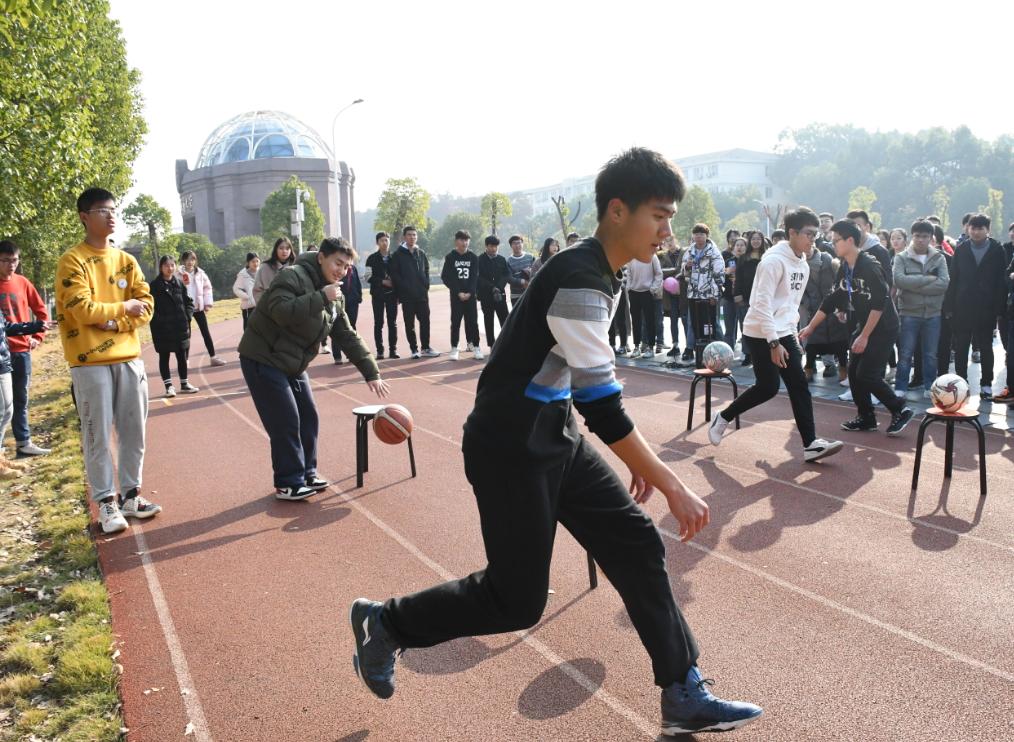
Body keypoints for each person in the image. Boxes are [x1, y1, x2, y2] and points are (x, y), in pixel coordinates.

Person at [349, 147, 763, 736]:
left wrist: (635, 459)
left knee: (636, 543)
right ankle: (387, 623)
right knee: (516, 601)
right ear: (617, 211)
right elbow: (602, 402)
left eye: (671, 218)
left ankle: (682, 691)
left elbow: (584, 388)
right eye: (659, 216)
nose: (667, 231)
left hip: (555, 430)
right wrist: (670, 481)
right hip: (510, 446)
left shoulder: (601, 270)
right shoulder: (580, 277)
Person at [238, 237, 390, 500]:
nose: (342, 271)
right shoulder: (292, 276)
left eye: (347, 267)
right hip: (263, 357)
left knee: (309, 416)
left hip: (293, 363)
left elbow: (346, 335)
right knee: (286, 419)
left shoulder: (334, 295)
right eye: (337, 263)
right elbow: (280, 311)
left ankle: (307, 473)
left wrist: (371, 372)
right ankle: (288, 483)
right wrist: (321, 297)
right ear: (321, 258)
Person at [56, 187, 160, 533]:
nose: (111, 216)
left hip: (128, 358)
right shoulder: (72, 261)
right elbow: (82, 309)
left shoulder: (126, 260)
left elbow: (146, 305)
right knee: (97, 434)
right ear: (85, 217)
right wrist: (123, 307)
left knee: (134, 431)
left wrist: (116, 321)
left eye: (114, 210)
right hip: (89, 363)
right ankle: (105, 502)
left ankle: (131, 495)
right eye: (103, 210)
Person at [709, 208, 843, 462]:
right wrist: (773, 342)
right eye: (808, 234)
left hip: (783, 330)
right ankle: (723, 417)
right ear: (792, 233)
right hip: (760, 331)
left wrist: (791, 335)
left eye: (815, 234)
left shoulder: (802, 262)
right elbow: (761, 304)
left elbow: (791, 305)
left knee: (799, 385)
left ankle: (811, 444)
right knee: (768, 387)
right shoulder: (772, 261)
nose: (813, 239)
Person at [800, 220, 913, 435]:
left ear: (850, 240)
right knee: (853, 372)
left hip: (883, 327)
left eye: (836, 240)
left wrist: (864, 336)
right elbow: (833, 298)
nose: (833, 244)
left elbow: (880, 302)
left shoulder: (868, 265)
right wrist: (811, 328)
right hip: (864, 325)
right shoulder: (845, 266)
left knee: (867, 374)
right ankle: (866, 417)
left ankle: (900, 409)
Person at [942, 213, 1008, 399]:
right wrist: (949, 305)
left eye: (980, 228)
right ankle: (961, 383)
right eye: (973, 228)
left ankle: (986, 384)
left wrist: (999, 308)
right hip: (962, 305)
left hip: (987, 307)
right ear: (967, 229)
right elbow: (953, 278)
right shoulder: (961, 249)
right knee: (962, 346)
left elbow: (1001, 281)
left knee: (985, 346)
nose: (976, 232)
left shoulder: (997, 250)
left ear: (988, 230)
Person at [0, 240, 51, 457]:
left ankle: (23, 443)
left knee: (20, 399)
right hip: (1, 353)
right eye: (5, 260)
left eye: (14, 260)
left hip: (21, 351)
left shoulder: (22, 282)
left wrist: (37, 337)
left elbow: (41, 312)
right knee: (4, 405)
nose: (11, 265)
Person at [892, 221, 949, 397]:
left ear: (931, 238)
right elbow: (899, 280)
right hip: (909, 312)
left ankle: (929, 387)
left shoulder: (939, 258)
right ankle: (900, 387)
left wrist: (914, 284)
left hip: (933, 313)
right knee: (905, 353)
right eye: (917, 236)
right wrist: (928, 279)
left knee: (930, 354)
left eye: (925, 236)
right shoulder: (901, 258)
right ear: (912, 236)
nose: (921, 240)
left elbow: (944, 283)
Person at [0, 303, 51, 477]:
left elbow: (5, 327)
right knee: (2, 413)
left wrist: (34, 327)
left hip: (4, 361)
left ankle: (1, 458)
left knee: (7, 411)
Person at [388, 226, 440, 359]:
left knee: (425, 322)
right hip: (407, 296)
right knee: (409, 324)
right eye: (409, 235)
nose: (412, 237)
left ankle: (426, 348)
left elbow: (426, 269)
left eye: (414, 235)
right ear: (404, 237)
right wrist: (404, 288)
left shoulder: (420, 253)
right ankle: (414, 349)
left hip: (422, 295)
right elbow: (395, 274)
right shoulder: (397, 255)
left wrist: (426, 284)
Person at [149, 255, 197, 397]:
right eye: (166, 265)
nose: (169, 268)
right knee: (164, 356)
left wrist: (187, 316)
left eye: (172, 265)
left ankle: (184, 384)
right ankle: (169, 387)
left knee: (182, 356)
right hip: (162, 329)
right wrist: (159, 320)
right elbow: (150, 307)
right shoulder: (154, 286)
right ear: (161, 267)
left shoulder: (179, 283)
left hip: (179, 327)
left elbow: (189, 302)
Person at [798, 238, 844, 383]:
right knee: (809, 337)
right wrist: (806, 302)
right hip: (809, 306)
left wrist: (834, 301)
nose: (807, 250)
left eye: (809, 246)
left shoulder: (826, 259)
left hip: (830, 303)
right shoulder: (798, 263)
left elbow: (836, 281)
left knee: (833, 337)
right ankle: (809, 366)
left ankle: (833, 366)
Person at [679, 224, 724, 367]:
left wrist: (715, 295)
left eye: (701, 234)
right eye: (696, 234)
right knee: (695, 325)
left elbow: (719, 274)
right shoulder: (690, 250)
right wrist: (687, 266)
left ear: (707, 236)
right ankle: (699, 356)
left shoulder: (714, 251)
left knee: (709, 326)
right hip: (693, 294)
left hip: (709, 295)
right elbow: (683, 269)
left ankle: (715, 356)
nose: (698, 237)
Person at [176, 250, 225, 367]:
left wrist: (207, 303)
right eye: (187, 259)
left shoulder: (201, 274)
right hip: (185, 309)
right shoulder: (177, 274)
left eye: (192, 259)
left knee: (205, 332)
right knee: (186, 335)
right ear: (183, 261)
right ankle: (185, 361)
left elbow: (207, 288)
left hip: (198, 307)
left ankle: (213, 357)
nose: (190, 262)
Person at [440, 230, 482, 361]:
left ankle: (476, 346)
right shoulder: (450, 257)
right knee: (456, 322)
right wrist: (457, 291)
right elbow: (446, 277)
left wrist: (470, 292)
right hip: (456, 296)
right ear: (456, 241)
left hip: (470, 296)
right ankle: (454, 347)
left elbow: (475, 277)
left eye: (467, 240)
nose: (465, 242)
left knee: (473, 322)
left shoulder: (473, 257)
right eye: (462, 240)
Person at [733, 231, 769, 367]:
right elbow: (738, 278)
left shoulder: (767, 257)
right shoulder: (743, 258)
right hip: (746, 296)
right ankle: (748, 354)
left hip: (763, 297)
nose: (755, 241)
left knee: (763, 326)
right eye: (753, 239)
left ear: (762, 241)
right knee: (746, 327)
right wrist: (737, 295)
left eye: (758, 239)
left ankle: (763, 354)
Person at [365, 231, 399, 359]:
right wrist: (382, 281)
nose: (385, 243)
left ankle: (393, 350)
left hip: (392, 295)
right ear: (377, 243)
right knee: (378, 323)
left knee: (392, 323)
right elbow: (367, 277)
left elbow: (400, 275)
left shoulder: (395, 257)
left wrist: (394, 283)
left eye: (386, 240)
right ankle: (380, 351)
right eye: (382, 240)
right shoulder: (371, 258)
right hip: (377, 295)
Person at [626, 249, 663, 359]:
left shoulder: (652, 256)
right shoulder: (631, 257)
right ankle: (636, 347)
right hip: (633, 293)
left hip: (647, 292)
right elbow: (629, 274)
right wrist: (629, 287)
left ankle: (650, 348)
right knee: (635, 321)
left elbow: (659, 274)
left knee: (650, 321)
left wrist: (653, 289)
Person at [476, 235, 510, 350]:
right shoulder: (479, 260)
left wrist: (499, 287)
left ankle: (506, 343)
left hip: (500, 295)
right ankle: (492, 344)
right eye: (491, 246)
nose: (494, 249)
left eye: (496, 246)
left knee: (505, 319)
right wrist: (491, 287)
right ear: (486, 246)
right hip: (486, 296)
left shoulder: (501, 259)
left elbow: (506, 275)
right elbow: (478, 277)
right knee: (488, 320)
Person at [332, 259, 363, 365]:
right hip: (339, 301)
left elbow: (357, 283)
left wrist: (359, 296)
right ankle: (337, 355)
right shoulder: (337, 268)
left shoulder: (353, 268)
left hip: (353, 302)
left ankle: (351, 354)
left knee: (352, 328)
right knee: (337, 327)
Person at [657, 237, 682, 358]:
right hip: (670, 293)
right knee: (673, 320)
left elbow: (685, 269)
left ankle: (690, 347)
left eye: (671, 240)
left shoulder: (684, 252)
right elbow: (660, 271)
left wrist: (675, 272)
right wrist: (676, 270)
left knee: (687, 320)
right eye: (666, 241)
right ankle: (675, 345)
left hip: (684, 292)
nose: (669, 243)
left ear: (676, 240)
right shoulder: (662, 256)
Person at [720, 237, 745, 350]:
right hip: (729, 298)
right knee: (729, 328)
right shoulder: (728, 262)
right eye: (737, 245)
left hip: (744, 299)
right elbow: (721, 280)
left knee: (745, 328)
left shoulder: (748, 262)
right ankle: (728, 351)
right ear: (733, 248)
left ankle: (747, 354)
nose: (739, 247)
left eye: (742, 245)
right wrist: (727, 273)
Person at [253, 237, 295, 304]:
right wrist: (265, 306)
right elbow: (257, 290)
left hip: (292, 306)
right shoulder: (265, 268)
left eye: (287, 248)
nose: (284, 251)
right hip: (270, 307)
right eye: (281, 248)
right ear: (276, 249)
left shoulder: (296, 266)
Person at [232, 252, 260, 329]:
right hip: (248, 307)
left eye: (257, 261)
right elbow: (236, 289)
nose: (256, 263)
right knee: (248, 329)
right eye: (253, 262)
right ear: (248, 263)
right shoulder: (243, 274)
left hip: (260, 305)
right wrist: (247, 296)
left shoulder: (261, 272)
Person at [506, 235, 535, 308]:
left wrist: (530, 272)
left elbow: (537, 271)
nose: (517, 245)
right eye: (514, 243)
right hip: (516, 295)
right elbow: (509, 278)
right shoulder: (508, 261)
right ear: (511, 246)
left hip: (531, 292)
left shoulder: (530, 257)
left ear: (522, 244)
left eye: (519, 243)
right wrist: (523, 282)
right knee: (517, 315)